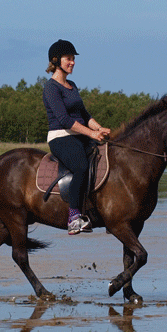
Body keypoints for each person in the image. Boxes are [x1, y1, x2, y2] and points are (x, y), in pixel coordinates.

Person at [43, 39, 110, 235]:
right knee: (81, 165)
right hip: (61, 137)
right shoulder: (51, 87)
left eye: (73, 59)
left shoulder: (72, 85)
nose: (72, 62)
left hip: (80, 134)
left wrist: (100, 129)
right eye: (68, 59)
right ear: (56, 61)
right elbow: (64, 119)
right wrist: (92, 134)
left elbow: (85, 115)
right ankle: (73, 217)